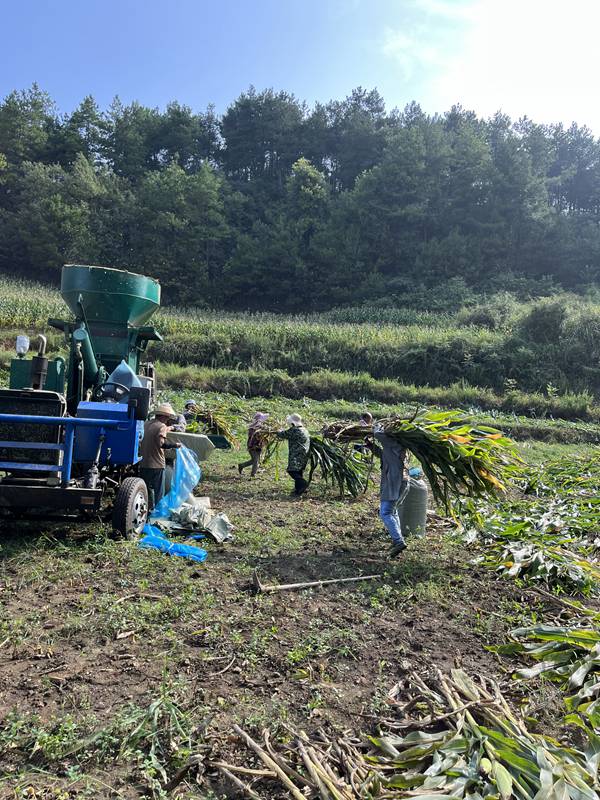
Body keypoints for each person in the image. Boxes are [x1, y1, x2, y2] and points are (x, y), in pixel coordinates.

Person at [372, 426, 409, 558]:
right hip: (402, 482)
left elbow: (377, 433)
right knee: (392, 511)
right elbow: (384, 455)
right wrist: (370, 446)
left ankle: (399, 541)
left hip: (394, 482)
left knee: (385, 512)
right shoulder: (397, 446)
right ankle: (397, 539)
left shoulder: (393, 442)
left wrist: (376, 426)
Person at [139, 403, 181, 509]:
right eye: (167, 418)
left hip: (143, 463)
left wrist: (170, 428)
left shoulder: (146, 424)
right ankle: (158, 512)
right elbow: (162, 444)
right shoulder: (161, 426)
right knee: (159, 492)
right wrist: (175, 445)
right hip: (157, 464)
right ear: (163, 416)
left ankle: (146, 510)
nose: (167, 420)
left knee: (146, 490)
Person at [277, 413, 310, 495]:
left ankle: (303, 484)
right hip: (304, 453)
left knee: (291, 470)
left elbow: (282, 434)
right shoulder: (304, 429)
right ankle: (298, 490)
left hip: (296, 454)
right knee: (299, 471)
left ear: (292, 423)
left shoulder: (295, 430)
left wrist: (278, 431)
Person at [238, 412, 269, 477]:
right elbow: (254, 438)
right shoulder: (254, 428)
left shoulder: (259, 427)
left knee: (254, 460)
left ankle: (242, 465)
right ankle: (253, 475)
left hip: (258, 446)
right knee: (256, 461)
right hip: (253, 447)